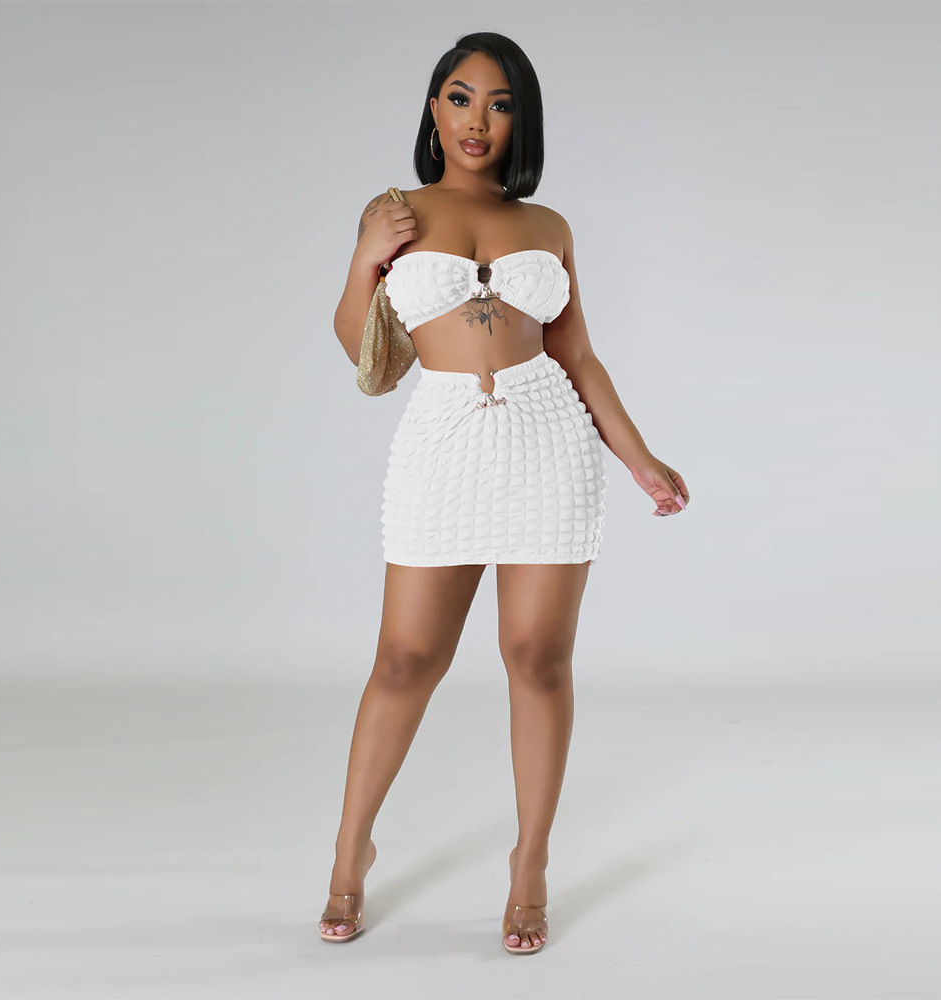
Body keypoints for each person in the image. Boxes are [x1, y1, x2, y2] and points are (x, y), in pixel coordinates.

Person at [325, 31, 690, 954]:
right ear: (433, 110)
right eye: (460, 98)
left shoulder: (549, 226)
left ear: (521, 120)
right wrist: (366, 256)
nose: (477, 120)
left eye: (499, 103)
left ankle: (530, 866)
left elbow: (578, 354)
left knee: (538, 658)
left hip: (547, 439)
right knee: (405, 659)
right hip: (442, 440)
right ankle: (349, 854)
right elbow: (361, 351)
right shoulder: (395, 212)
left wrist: (639, 459)